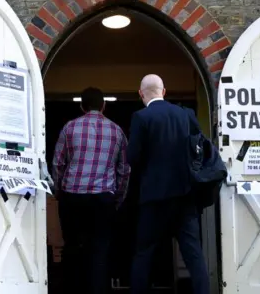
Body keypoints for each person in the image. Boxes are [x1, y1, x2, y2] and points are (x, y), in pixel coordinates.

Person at [127, 74, 209, 294]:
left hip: (154, 197)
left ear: (140, 93)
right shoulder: (186, 115)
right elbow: (199, 151)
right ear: (164, 92)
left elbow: (132, 158)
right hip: (185, 195)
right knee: (194, 254)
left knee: (144, 253)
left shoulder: (141, 117)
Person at [52, 87, 131, 294]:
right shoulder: (117, 131)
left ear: (81, 105)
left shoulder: (69, 127)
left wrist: (58, 192)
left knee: (72, 248)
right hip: (103, 199)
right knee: (100, 252)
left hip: (72, 197)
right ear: (103, 106)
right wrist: (118, 198)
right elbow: (124, 170)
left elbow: (58, 164)